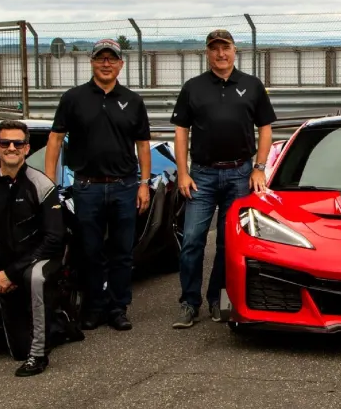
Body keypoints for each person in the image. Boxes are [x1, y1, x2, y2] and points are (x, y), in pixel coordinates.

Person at [170, 29, 276, 328]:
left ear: (234, 50)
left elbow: (265, 129)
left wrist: (259, 167)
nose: (220, 54)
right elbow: (181, 131)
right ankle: (190, 303)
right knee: (192, 240)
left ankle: (217, 298)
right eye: (214, 49)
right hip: (201, 175)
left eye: (225, 48)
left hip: (240, 174)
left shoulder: (252, 86)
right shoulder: (193, 87)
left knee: (228, 243)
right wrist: (182, 172)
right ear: (207, 53)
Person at [44, 38, 151, 332]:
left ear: (121, 64)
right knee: (89, 251)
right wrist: (49, 184)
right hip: (87, 187)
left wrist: (143, 184)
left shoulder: (133, 100)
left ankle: (118, 308)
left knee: (121, 252)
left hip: (124, 186)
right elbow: (54, 140)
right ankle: (93, 307)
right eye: (101, 58)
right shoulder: (73, 98)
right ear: (91, 62)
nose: (106, 64)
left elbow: (143, 145)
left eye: (112, 59)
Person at [0, 121, 66, 376]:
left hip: (38, 260)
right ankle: (57, 325)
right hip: (4, 267)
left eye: (18, 143)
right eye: (5, 143)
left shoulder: (42, 185)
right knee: (17, 350)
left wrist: (11, 272)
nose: (11, 148)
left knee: (35, 277)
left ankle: (38, 357)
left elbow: (54, 238)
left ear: (26, 148)